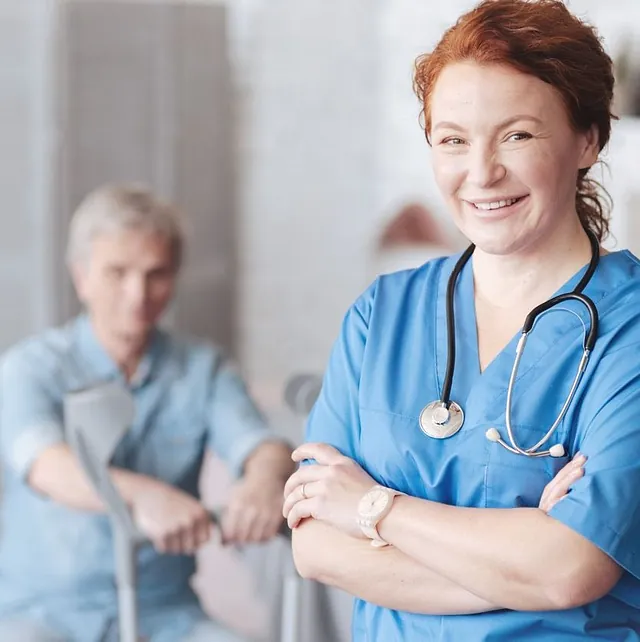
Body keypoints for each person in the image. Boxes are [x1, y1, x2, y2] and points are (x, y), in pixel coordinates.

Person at [282, 0, 640, 639]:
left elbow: (568, 568)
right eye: (452, 140)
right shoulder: (380, 315)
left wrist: (371, 507)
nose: (481, 173)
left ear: (588, 139)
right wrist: (523, 561)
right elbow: (314, 547)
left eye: (518, 135)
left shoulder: (629, 327)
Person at [0, 184, 294, 642]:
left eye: (156, 274)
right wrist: (145, 497)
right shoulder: (29, 368)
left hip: (165, 614)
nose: (138, 294)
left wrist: (262, 481)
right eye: (117, 272)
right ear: (82, 276)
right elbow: (47, 466)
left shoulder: (203, 369)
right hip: (41, 613)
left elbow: (260, 443)